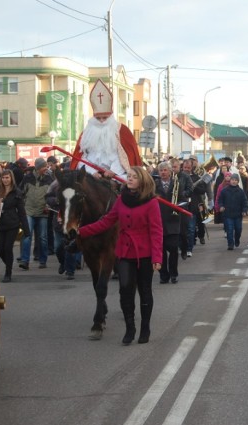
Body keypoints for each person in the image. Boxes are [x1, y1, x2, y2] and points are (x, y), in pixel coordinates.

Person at [78, 166, 163, 345]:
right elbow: (107, 221)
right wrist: (81, 232)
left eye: (134, 177)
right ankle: (130, 328)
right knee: (125, 289)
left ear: (142, 180)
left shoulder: (151, 202)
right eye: (129, 176)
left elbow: (156, 231)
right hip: (125, 251)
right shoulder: (121, 200)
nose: (129, 179)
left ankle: (145, 327)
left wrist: (157, 257)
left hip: (145, 252)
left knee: (145, 290)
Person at [70, 79, 141, 180]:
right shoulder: (86, 133)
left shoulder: (121, 130)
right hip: (90, 174)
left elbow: (125, 157)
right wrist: (92, 172)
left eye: (105, 118)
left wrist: (113, 171)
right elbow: (81, 158)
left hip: (117, 174)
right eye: (98, 118)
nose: (102, 121)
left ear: (110, 117)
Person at [0, 169, 30, 282]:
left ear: (11, 178)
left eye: (7, 178)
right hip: (0, 223)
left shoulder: (17, 192)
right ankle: (9, 264)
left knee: (7, 248)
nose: (5, 180)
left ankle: (8, 272)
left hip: (12, 223)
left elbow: (21, 212)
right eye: (3, 178)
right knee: (0, 249)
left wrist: (26, 229)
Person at [19, 157, 53, 270]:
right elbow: (21, 193)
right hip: (29, 211)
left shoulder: (49, 179)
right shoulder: (27, 178)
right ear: (38, 168)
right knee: (27, 236)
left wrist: (49, 205)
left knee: (43, 237)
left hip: (43, 212)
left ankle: (43, 260)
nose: (46, 168)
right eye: (44, 167)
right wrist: (22, 206)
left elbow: (53, 195)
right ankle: (25, 261)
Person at [155, 161, 184, 283]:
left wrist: (178, 206)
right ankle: (163, 275)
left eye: (165, 170)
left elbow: (183, 199)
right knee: (160, 251)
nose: (163, 172)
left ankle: (173, 274)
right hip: (159, 221)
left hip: (173, 220)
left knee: (173, 249)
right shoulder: (154, 185)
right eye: (161, 170)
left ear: (170, 171)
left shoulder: (177, 184)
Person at [218, 173, 248, 250]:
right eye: (232, 180)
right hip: (227, 214)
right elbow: (220, 199)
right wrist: (221, 206)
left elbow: (244, 202)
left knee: (238, 229)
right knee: (229, 229)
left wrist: (244, 210)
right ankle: (230, 244)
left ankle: (237, 239)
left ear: (238, 182)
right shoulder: (225, 190)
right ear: (230, 181)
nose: (234, 181)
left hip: (238, 215)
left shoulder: (241, 191)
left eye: (235, 180)